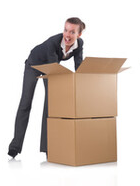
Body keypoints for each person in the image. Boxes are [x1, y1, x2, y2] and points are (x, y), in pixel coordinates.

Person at [7, 17, 85, 158]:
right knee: (26, 103)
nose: (67, 35)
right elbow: (53, 67)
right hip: (34, 64)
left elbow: (78, 64)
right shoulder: (53, 42)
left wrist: (81, 81)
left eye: (72, 32)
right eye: (65, 30)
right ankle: (15, 146)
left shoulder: (79, 44)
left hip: (51, 66)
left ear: (79, 35)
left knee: (51, 105)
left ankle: (48, 147)